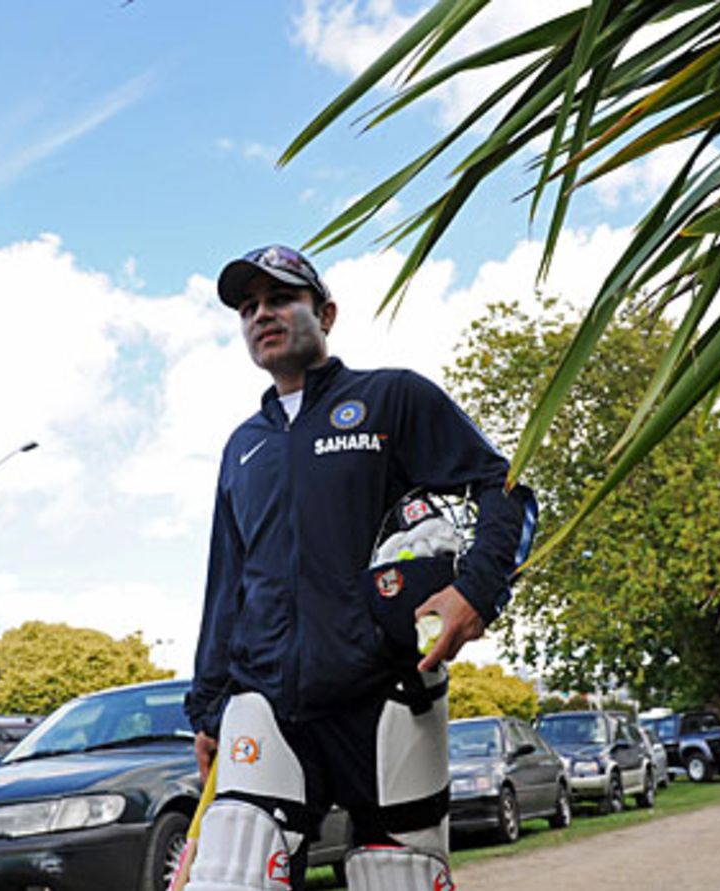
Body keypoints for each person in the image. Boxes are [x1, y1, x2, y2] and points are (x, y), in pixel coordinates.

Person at [182, 245, 536, 891]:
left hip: (386, 695)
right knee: (229, 874)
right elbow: (225, 585)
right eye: (248, 306)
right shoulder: (244, 446)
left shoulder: (390, 397)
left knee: (396, 875)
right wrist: (208, 709)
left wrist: (477, 591)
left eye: (281, 298)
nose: (262, 313)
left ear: (326, 312)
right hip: (267, 701)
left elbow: (505, 488)